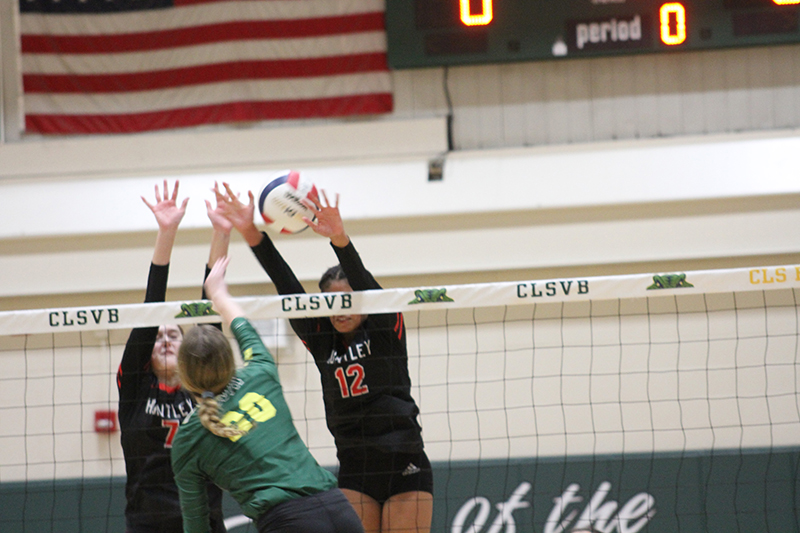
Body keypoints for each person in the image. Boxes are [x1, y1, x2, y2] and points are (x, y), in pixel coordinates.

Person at [215, 184, 433, 533]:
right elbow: (285, 284)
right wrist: (250, 231)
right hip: (354, 465)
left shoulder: (384, 327)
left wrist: (340, 239)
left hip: (403, 460)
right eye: (331, 302)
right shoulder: (320, 339)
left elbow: (364, 283)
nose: (340, 309)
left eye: (348, 300)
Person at [171, 256, 365, 533]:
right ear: (228, 361)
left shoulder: (187, 439)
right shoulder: (260, 371)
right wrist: (217, 292)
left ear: (184, 376)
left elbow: (196, 522)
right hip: (339, 509)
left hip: (288, 522)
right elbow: (241, 324)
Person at [117, 180, 228, 533]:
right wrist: (167, 232)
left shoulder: (203, 386)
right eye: (158, 336)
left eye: (174, 335)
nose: (165, 339)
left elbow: (211, 309)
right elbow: (151, 307)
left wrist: (222, 232)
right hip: (150, 522)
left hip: (203, 519)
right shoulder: (135, 389)